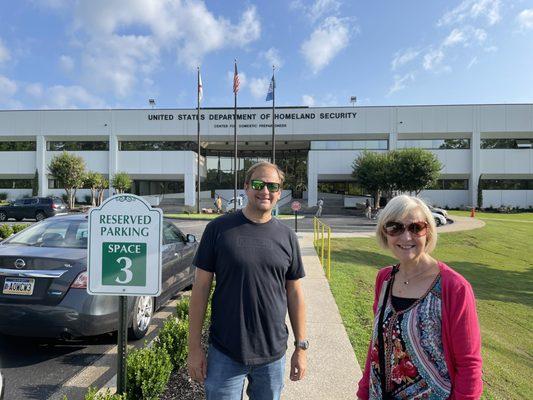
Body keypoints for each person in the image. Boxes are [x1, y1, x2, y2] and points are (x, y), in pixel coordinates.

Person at [188, 161, 308, 400]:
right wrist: (194, 349)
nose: (265, 191)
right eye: (258, 184)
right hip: (225, 352)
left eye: (272, 186)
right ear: (246, 187)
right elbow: (200, 289)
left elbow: (295, 294)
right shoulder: (218, 229)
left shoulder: (287, 237)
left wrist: (301, 348)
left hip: (272, 355)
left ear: (279, 192)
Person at [357, 195, 482, 400]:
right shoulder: (385, 278)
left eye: (416, 227)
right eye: (395, 227)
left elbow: (469, 366)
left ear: (428, 232)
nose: (406, 237)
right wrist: (363, 392)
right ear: (384, 233)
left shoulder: (454, 288)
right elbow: (376, 344)